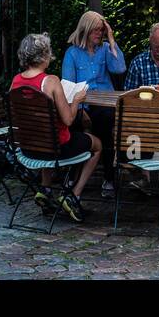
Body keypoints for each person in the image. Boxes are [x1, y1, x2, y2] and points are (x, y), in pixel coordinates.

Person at [10, 32, 101, 222]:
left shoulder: (16, 81)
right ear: (44, 55)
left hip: (28, 149)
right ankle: (73, 195)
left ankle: (45, 189)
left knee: (44, 133)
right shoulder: (51, 81)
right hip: (56, 149)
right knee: (97, 145)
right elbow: (68, 120)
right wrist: (76, 100)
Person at [62, 11, 126, 196]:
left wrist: (112, 38)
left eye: (101, 30)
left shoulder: (105, 49)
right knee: (76, 124)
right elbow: (68, 88)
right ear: (86, 29)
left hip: (105, 104)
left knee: (107, 121)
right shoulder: (72, 53)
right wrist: (81, 111)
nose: (99, 34)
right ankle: (74, 174)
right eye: (96, 30)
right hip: (83, 105)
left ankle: (109, 178)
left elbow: (119, 68)